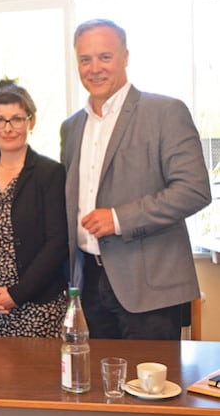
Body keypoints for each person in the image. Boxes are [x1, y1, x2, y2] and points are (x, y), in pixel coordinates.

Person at [60, 18, 212, 340]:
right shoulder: (71, 127)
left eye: (105, 57)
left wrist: (118, 219)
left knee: (153, 389)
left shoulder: (165, 112)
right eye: (85, 59)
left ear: (125, 57)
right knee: (101, 388)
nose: (94, 68)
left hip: (150, 288)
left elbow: (194, 190)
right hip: (88, 283)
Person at [0, 86, 68, 337]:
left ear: (31, 121)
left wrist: (16, 295)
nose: (8, 128)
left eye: (17, 119)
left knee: (35, 376)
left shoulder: (49, 173)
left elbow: (57, 243)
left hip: (37, 304)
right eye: (0, 120)